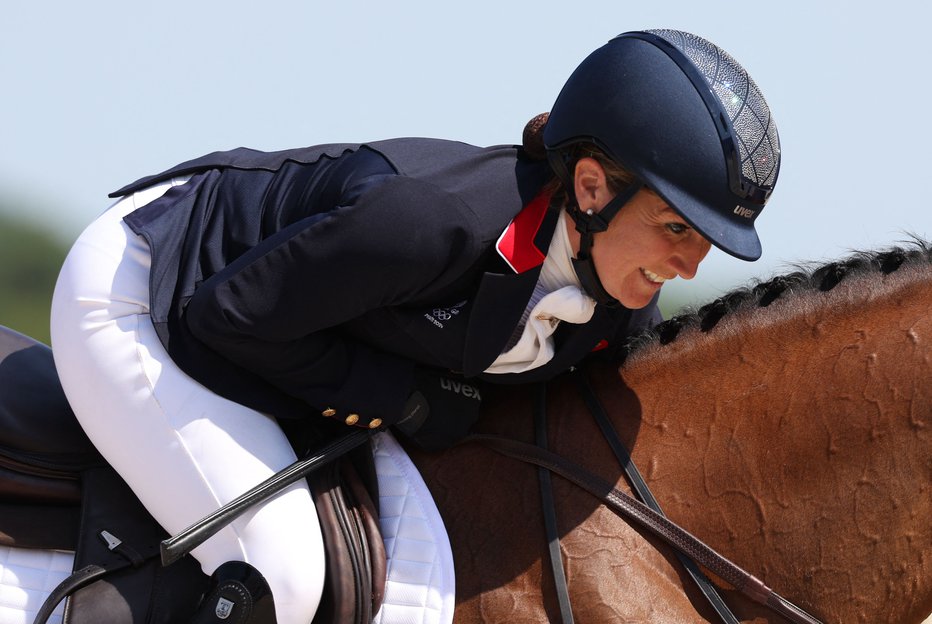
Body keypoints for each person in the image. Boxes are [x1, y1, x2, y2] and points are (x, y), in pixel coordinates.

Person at [50, 28, 780, 624]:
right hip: (150, 291)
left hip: (281, 322)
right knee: (284, 568)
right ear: (590, 187)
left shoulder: (620, 299)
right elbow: (228, 316)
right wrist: (404, 399)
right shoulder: (431, 226)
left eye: (703, 243)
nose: (687, 266)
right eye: (675, 228)